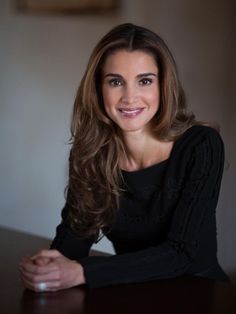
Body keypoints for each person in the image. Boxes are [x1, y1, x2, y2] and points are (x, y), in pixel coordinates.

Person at [19, 23, 229, 292]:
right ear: (98, 88)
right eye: (116, 81)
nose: (130, 97)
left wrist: (81, 272)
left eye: (145, 80)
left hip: (197, 294)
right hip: (129, 293)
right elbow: (75, 239)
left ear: (164, 85)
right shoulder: (93, 152)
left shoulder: (201, 145)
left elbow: (181, 253)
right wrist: (48, 268)